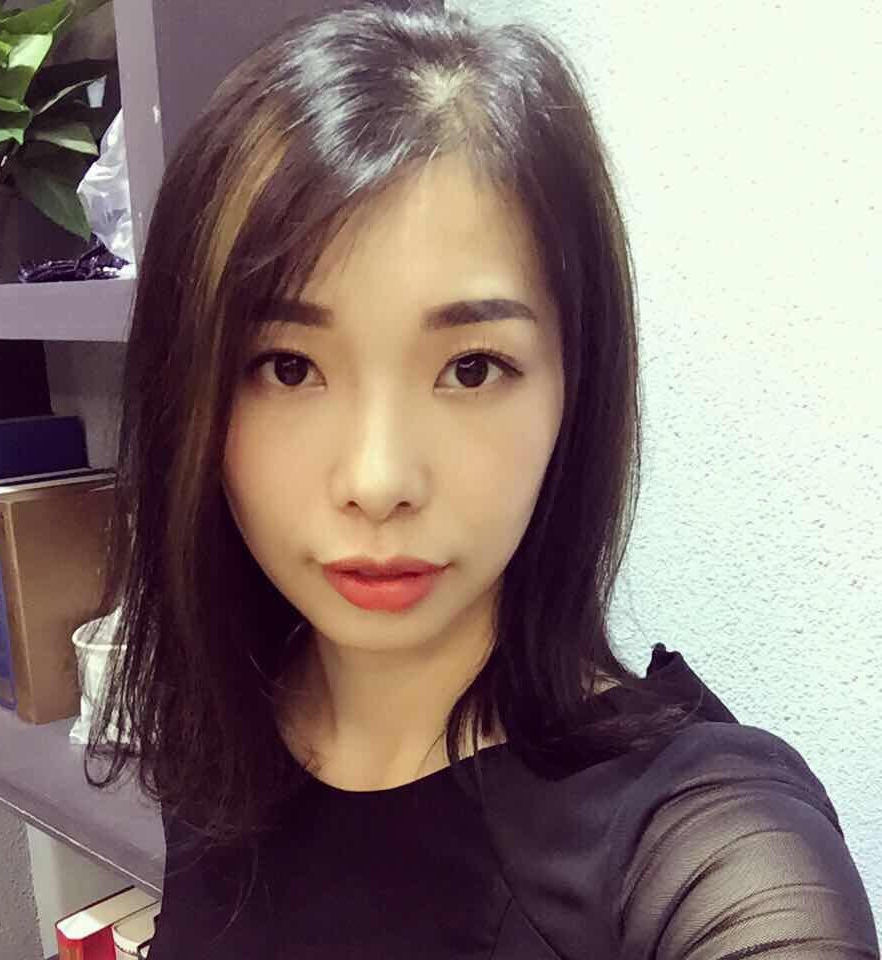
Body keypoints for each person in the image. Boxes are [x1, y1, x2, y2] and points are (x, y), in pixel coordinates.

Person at [82, 3, 880, 957]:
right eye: (288, 367)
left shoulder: (695, 832)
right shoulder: (224, 725)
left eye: (471, 369)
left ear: (573, 390)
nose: (379, 481)